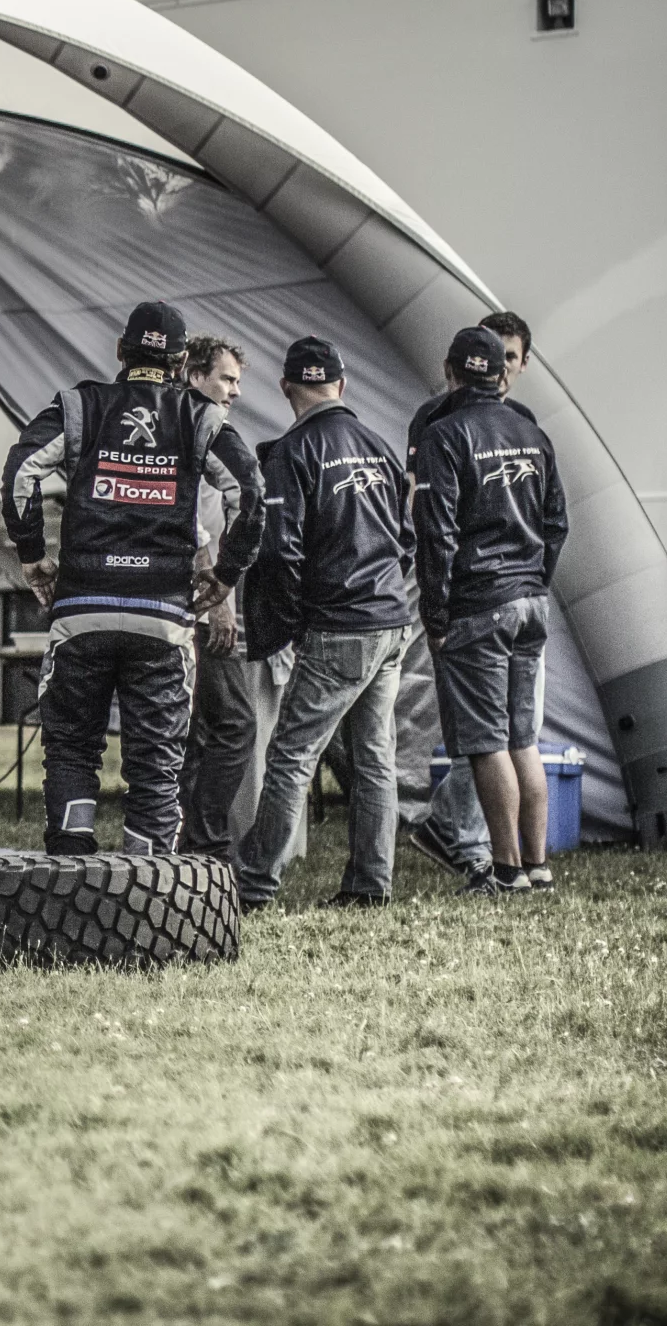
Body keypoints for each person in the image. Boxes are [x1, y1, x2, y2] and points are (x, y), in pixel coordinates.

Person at [3, 302, 264, 856]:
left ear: (120, 352)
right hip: (164, 619)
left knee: (71, 750)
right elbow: (251, 495)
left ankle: (69, 880)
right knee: (155, 763)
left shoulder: (78, 406)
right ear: (179, 362)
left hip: (82, 610)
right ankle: (146, 904)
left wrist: (33, 556)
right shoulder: (201, 417)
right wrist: (224, 573)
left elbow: (21, 474)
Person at [233, 337, 418, 910]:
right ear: (342, 385)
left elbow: (278, 552)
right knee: (374, 759)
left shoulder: (291, 453)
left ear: (287, 388)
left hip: (339, 626)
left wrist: (286, 624)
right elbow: (405, 540)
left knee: (291, 756)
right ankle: (369, 887)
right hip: (391, 621)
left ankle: (254, 886)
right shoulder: (379, 446)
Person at [413, 325, 568, 897]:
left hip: (478, 606)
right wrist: (533, 582)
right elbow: (558, 525)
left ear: (450, 372)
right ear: (500, 374)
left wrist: (436, 617)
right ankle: (538, 868)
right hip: (531, 603)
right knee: (524, 740)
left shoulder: (443, 435)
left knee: (485, 744)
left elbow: (437, 535)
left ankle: (504, 873)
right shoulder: (532, 432)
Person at [400, 310, 536, 881]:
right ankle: (473, 841)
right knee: (469, 726)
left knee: (495, 735)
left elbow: (548, 519)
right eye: (491, 355)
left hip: (496, 594)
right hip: (472, 588)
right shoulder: (434, 422)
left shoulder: (521, 423)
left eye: (509, 357)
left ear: (522, 363)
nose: (498, 369)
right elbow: (427, 515)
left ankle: (478, 846)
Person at [172, 337, 287, 860]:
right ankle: (209, 847)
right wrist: (219, 594)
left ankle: (186, 844)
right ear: (194, 373)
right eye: (227, 378)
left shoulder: (182, 422)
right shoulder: (196, 428)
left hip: (196, 593)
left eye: (238, 380)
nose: (236, 391)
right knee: (235, 723)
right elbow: (190, 516)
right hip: (199, 596)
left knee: (197, 729)